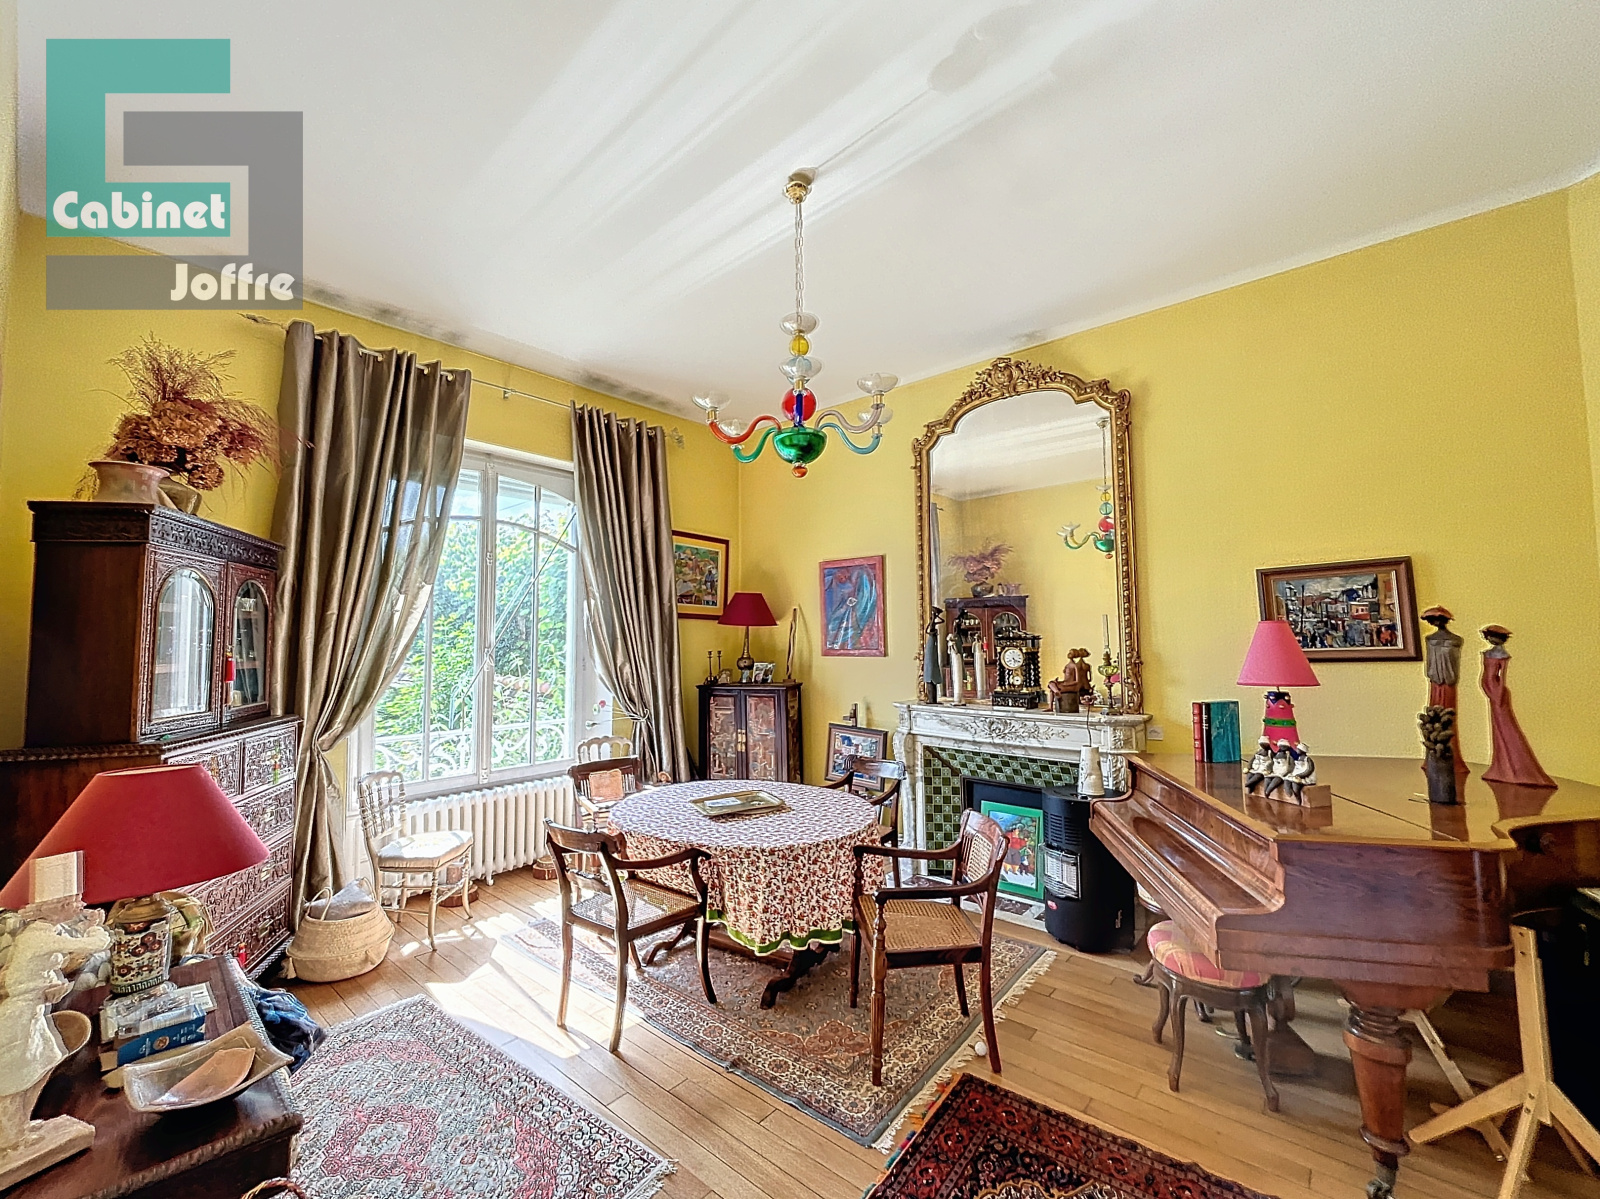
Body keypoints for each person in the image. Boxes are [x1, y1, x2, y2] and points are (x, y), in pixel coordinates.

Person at [1479, 625, 1555, 788]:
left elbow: (1502, 677)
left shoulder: (1502, 655)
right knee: (1497, 727)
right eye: (1490, 636)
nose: (1491, 639)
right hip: (1490, 689)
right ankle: (1501, 766)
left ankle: (1515, 766)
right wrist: (1487, 687)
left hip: (1497, 692)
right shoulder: (1488, 653)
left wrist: (1498, 694)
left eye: (1494, 636)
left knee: (1505, 726)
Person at [1421, 606, 1467, 774]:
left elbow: (1454, 663)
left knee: (1448, 717)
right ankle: (1433, 757)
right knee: (1434, 717)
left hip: (1448, 683)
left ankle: (1450, 757)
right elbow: (1429, 665)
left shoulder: (1455, 640)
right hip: (1436, 683)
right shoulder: (1430, 639)